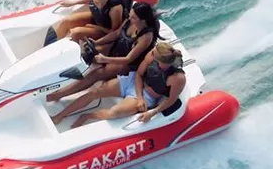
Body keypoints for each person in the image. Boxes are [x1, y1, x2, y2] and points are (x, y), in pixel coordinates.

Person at [51, 42, 186, 128]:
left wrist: (152, 112)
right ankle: (60, 115)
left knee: (115, 112)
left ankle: (86, 116)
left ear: (161, 61)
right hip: (134, 83)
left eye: (153, 54)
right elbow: (139, 74)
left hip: (148, 97)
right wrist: (138, 96)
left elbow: (171, 99)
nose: (150, 53)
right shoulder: (152, 55)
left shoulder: (177, 78)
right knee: (95, 92)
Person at [46, 1, 160, 103]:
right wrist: (97, 43)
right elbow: (116, 34)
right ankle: (54, 77)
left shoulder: (146, 36)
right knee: (85, 53)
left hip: (127, 64)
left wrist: (104, 59)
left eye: (134, 17)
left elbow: (129, 59)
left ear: (143, 20)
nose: (130, 18)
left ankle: (57, 95)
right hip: (117, 49)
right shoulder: (130, 20)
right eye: (130, 15)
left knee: (98, 73)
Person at [43, 0, 124, 46]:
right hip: (98, 19)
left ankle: (60, 52)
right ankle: (49, 48)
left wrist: (96, 27)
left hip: (106, 30)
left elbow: (115, 33)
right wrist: (73, 3)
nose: (100, 6)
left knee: (74, 33)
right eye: (97, 2)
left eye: (103, 3)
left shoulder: (115, 8)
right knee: (66, 22)